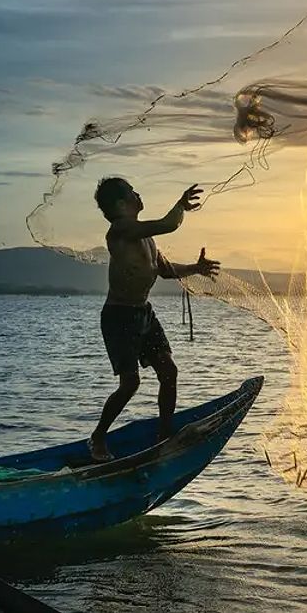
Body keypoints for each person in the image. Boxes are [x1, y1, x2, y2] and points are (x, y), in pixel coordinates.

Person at [88, 177, 220, 462]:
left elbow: (167, 270)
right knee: (130, 384)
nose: (139, 193)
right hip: (119, 316)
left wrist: (196, 268)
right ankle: (98, 437)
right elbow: (169, 224)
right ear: (122, 204)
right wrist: (181, 205)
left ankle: (164, 435)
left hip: (143, 313)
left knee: (169, 373)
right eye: (133, 192)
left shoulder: (145, 238)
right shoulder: (121, 230)